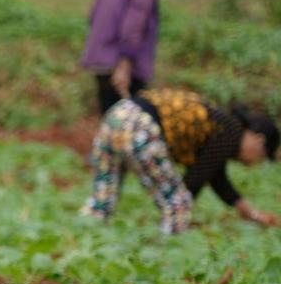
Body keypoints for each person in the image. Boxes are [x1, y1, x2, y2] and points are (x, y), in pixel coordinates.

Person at [80, 88, 279, 234]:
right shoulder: (232, 131)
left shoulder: (221, 124)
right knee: (178, 203)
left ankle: (83, 239)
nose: (254, 163)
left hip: (118, 115)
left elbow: (215, 175)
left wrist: (251, 213)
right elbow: (194, 181)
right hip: (140, 125)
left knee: (102, 198)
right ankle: (164, 259)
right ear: (258, 140)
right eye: (261, 157)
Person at [81, 0, 170, 114]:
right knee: (132, 126)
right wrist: (124, 65)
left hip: (101, 61)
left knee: (111, 121)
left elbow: (93, 15)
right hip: (121, 66)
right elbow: (133, 28)